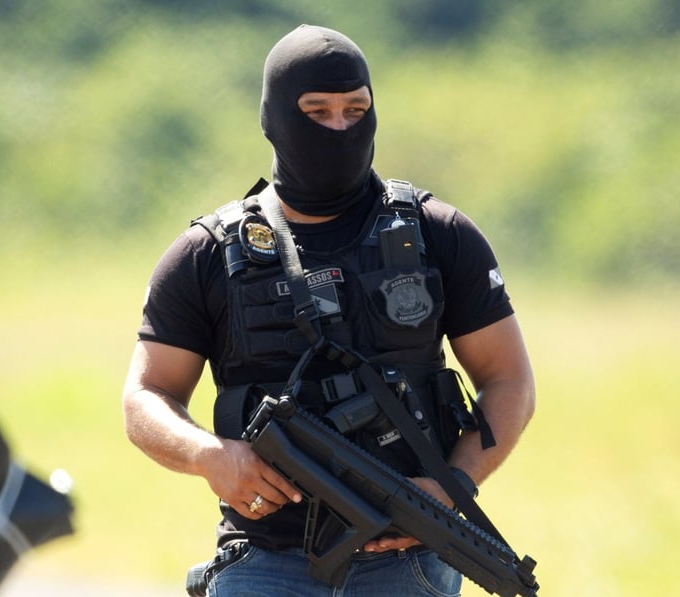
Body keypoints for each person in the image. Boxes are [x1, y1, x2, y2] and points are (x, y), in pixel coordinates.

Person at [122, 25, 536, 596]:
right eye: (316, 111)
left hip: (410, 564)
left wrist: (454, 486)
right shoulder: (208, 253)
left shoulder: (438, 234)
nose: (339, 126)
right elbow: (145, 397)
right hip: (264, 560)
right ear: (274, 118)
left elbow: (508, 379)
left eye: (355, 109)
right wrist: (211, 457)